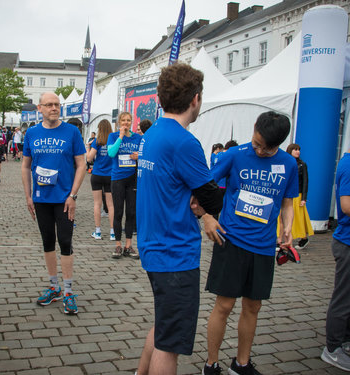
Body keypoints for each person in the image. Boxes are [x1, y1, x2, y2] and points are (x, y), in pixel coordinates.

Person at [135, 63, 223, 375]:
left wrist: (196, 199)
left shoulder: (153, 133)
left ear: (159, 98)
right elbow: (213, 198)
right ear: (195, 99)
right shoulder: (184, 142)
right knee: (169, 344)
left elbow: (186, 188)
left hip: (155, 246)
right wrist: (202, 204)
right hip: (175, 253)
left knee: (163, 327)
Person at [201, 111, 298, 375]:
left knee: (253, 307)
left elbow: (288, 202)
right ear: (254, 128)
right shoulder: (234, 155)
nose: (259, 150)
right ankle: (211, 364)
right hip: (231, 240)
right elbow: (204, 185)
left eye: (266, 148)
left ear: (278, 144)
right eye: (256, 144)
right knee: (224, 305)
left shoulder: (289, 164)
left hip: (264, 247)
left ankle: (241, 364)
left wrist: (287, 227)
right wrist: (208, 216)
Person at [21, 92, 86, 315]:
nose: (54, 108)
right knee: (47, 241)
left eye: (57, 104)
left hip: (64, 199)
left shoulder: (72, 131)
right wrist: (28, 195)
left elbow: (81, 164)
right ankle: (54, 287)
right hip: (41, 198)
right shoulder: (32, 133)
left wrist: (74, 195)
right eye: (49, 105)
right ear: (39, 108)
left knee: (65, 241)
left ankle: (68, 291)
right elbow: (25, 166)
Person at [321, 150, 350, 371]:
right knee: (344, 298)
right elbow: (346, 206)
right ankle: (333, 348)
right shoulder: (348, 165)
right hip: (347, 242)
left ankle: (344, 341)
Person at [107, 112, 141, 260]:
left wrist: (139, 156)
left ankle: (129, 245)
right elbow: (111, 153)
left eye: (128, 120)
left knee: (131, 212)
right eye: (123, 120)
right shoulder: (113, 136)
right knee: (118, 212)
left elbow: (146, 155)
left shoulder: (138, 138)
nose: (126, 123)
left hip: (132, 179)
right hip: (118, 179)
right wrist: (121, 136)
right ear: (119, 122)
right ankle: (118, 245)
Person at [277, 143, 314, 250]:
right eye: (295, 149)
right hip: (285, 194)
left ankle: (303, 237)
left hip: (297, 195)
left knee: (298, 218)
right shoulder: (285, 163)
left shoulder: (302, 165)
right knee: (281, 218)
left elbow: (305, 182)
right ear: (290, 150)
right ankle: (280, 240)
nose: (298, 151)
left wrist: (304, 198)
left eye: (298, 149)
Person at [86, 119, 115, 241]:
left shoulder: (97, 142)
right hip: (110, 175)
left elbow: (89, 159)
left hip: (97, 174)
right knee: (111, 204)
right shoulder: (114, 141)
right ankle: (113, 232)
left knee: (97, 204)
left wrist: (87, 147)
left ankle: (98, 232)